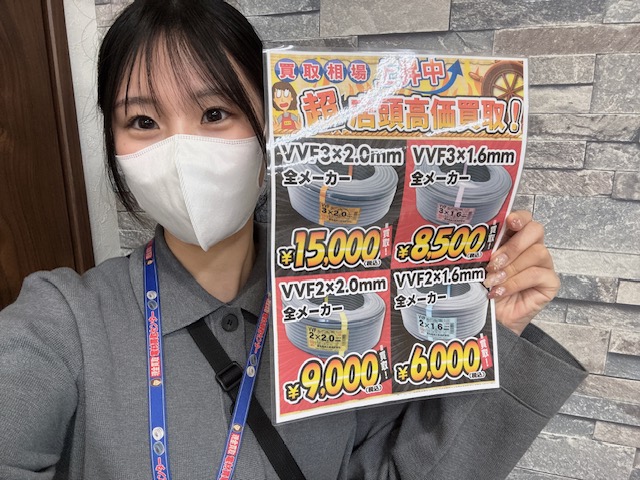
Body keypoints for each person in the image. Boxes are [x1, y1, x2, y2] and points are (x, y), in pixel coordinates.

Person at [0, 1, 585, 479]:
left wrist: (490, 327)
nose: (180, 152)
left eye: (215, 113)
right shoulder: (61, 322)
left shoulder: (353, 297)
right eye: (143, 122)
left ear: (272, 129)